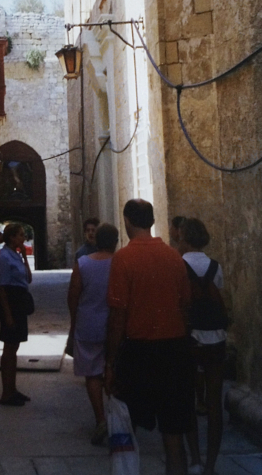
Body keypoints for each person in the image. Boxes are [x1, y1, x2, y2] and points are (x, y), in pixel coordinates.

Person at [105, 199, 193, 475]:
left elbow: (118, 315)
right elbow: (185, 306)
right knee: (174, 435)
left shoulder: (123, 258)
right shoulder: (174, 257)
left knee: (128, 428)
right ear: (153, 221)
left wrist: (110, 362)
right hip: (174, 351)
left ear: (127, 221)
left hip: (138, 353)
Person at [178, 218, 228, 475]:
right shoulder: (216, 267)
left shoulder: (179, 265)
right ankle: (211, 465)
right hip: (216, 339)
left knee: (187, 400)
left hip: (190, 338)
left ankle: (195, 459)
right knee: (214, 403)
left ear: (184, 238)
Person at [67, 222, 119, 445]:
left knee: (92, 374)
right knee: (116, 369)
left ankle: (100, 419)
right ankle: (118, 418)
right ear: (115, 242)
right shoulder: (121, 263)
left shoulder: (83, 263)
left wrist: (75, 322)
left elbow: (73, 296)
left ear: (96, 241)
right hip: (116, 326)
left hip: (89, 325)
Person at [0, 222, 33, 406]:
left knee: (14, 346)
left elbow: (28, 278)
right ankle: (6, 392)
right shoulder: (3, 258)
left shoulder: (16, 255)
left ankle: (12, 388)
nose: (24, 238)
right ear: (12, 237)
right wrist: (8, 314)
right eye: (21, 235)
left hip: (20, 301)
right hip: (11, 302)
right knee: (9, 347)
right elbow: (1, 288)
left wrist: (24, 257)